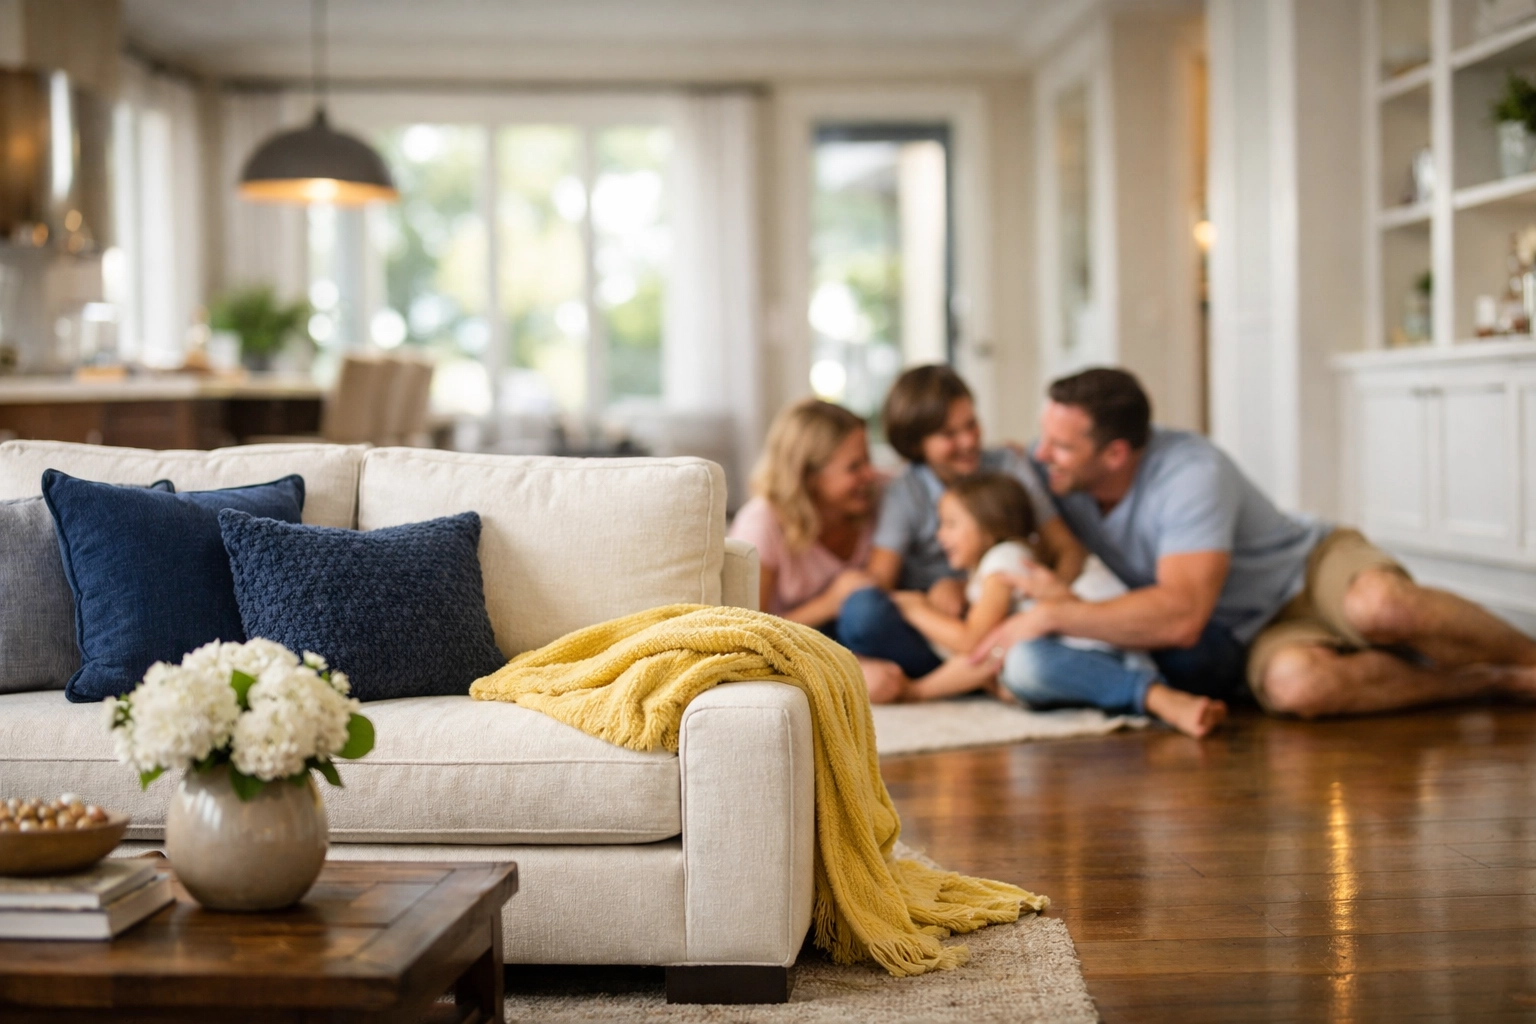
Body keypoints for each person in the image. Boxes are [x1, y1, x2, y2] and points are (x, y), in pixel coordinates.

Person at [976, 366, 1536, 719]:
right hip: (1251, 628)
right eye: (1043, 437)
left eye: (1060, 445)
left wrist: (1052, 617)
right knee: (1298, 688)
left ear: (1116, 454)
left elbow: (1180, 617)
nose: (1041, 453)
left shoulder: (1191, 472)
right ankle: (1485, 681)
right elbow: (982, 471)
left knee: (1381, 606)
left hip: (1307, 570)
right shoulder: (1060, 473)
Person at [894, 471, 1227, 736]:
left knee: (1025, 663)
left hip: (1115, 647)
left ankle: (1153, 696)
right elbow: (984, 655)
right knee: (1014, 663)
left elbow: (973, 643)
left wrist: (915, 610)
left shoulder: (1004, 559)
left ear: (988, 527)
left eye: (951, 524)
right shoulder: (991, 570)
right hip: (1092, 649)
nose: (940, 536)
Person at [729, 398, 997, 703]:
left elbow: (953, 534)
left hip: (880, 631)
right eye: (854, 467)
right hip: (802, 644)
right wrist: (831, 609)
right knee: (862, 610)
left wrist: (952, 583)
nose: (869, 474)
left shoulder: (884, 493)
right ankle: (965, 676)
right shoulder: (762, 523)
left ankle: (957, 675)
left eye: (868, 460)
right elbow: (748, 637)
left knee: (866, 610)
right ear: (808, 476)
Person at [838, 365, 1088, 682]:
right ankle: (973, 673)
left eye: (971, 425)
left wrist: (1046, 606)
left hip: (1005, 616)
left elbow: (1068, 549)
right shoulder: (905, 491)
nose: (969, 441)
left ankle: (969, 673)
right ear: (917, 444)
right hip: (941, 625)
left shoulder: (1008, 465)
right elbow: (881, 581)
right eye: (949, 434)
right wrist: (934, 596)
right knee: (863, 613)